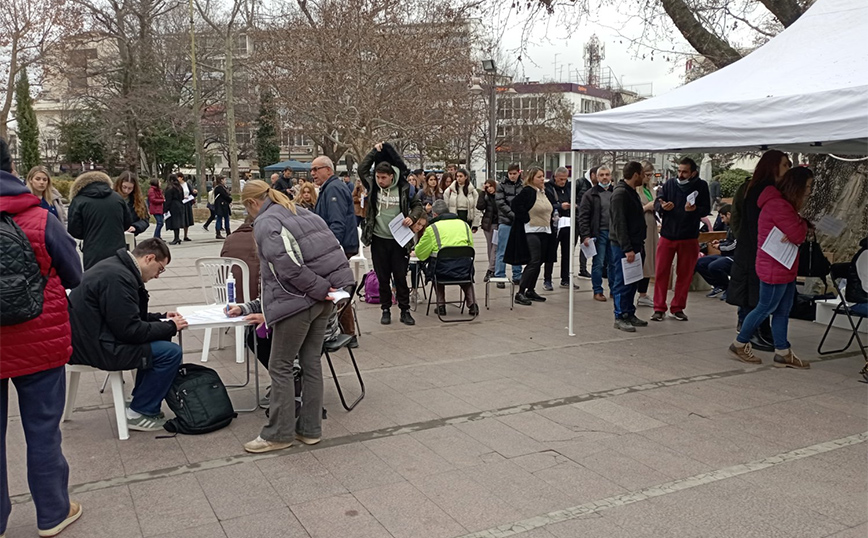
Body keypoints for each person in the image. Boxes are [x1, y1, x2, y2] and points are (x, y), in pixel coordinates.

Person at [229, 180, 354, 454]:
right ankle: (309, 430)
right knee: (310, 363)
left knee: (281, 366)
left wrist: (319, 289)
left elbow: (286, 268)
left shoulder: (265, 222)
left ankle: (278, 433)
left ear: (251, 203)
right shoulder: (300, 211)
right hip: (323, 299)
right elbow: (333, 249)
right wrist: (332, 289)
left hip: (298, 302)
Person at [0, 167, 83, 538]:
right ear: (13, 171)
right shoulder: (40, 218)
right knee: (43, 430)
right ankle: (52, 512)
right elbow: (74, 276)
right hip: (40, 342)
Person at [68, 238, 187, 430]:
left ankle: (141, 400)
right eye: (160, 269)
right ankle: (141, 411)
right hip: (96, 346)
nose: (158, 276)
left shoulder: (116, 267)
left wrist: (161, 318)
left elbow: (123, 316)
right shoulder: (119, 278)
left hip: (89, 338)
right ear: (149, 258)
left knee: (160, 338)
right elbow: (130, 331)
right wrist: (170, 326)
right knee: (170, 352)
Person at [729, 167, 812, 368]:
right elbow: (799, 235)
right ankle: (740, 343)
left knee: (783, 310)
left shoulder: (782, 205)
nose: (810, 191)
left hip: (784, 265)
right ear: (797, 186)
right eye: (808, 186)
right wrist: (803, 226)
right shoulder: (778, 205)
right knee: (764, 308)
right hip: (774, 266)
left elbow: (798, 230)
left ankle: (782, 351)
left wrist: (801, 224)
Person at [727, 150, 792, 351]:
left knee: (759, 295)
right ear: (772, 166)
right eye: (784, 165)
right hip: (755, 248)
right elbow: (742, 218)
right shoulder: (758, 189)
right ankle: (749, 334)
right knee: (753, 294)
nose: (788, 169)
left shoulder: (769, 188)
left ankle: (761, 332)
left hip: (760, 247)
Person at [358, 142, 423, 326]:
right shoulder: (373, 186)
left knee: (401, 276)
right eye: (378, 177)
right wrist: (374, 151)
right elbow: (363, 169)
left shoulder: (404, 187)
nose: (380, 181)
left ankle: (405, 310)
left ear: (392, 176)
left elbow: (417, 205)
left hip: (399, 240)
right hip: (379, 239)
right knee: (383, 277)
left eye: (384, 178)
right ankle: (385, 309)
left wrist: (412, 217)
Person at [650, 157, 711, 322]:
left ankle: (677, 307)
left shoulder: (701, 186)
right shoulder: (669, 184)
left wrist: (695, 209)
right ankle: (659, 308)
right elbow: (658, 201)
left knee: (684, 274)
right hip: (668, 235)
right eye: (679, 171)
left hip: (689, 237)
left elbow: (707, 209)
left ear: (693, 173)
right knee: (661, 272)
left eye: (685, 171)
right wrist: (662, 206)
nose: (681, 174)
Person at [311, 155, 360, 346]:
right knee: (335, 287)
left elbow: (337, 223)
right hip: (336, 247)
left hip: (338, 248)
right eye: (312, 170)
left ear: (328, 170)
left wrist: (330, 250)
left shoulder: (333, 189)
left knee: (337, 289)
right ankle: (345, 331)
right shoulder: (330, 188)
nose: (313, 173)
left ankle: (348, 332)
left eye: (317, 169)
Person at [415, 199, 479, 316]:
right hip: (464, 269)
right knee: (463, 271)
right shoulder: (464, 225)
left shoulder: (432, 228)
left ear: (434, 214)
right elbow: (470, 248)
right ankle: (472, 304)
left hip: (441, 271)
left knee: (436, 271)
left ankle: (441, 305)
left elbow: (420, 253)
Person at [505, 167, 555, 306]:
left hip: (545, 230)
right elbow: (515, 204)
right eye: (539, 176)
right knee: (534, 260)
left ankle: (530, 289)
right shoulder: (527, 191)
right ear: (532, 178)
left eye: (543, 176)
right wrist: (526, 218)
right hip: (531, 230)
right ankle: (520, 292)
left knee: (540, 261)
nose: (542, 179)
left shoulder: (544, 192)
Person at [609, 161, 649, 332]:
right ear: (635, 175)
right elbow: (619, 224)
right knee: (622, 281)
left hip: (636, 243)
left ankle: (629, 312)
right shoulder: (620, 194)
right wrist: (627, 248)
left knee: (633, 280)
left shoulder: (631, 192)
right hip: (623, 246)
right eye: (642, 174)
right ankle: (619, 315)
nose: (644, 177)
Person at [67, 171, 133, 270]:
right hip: (117, 252)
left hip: (92, 252)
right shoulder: (117, 198)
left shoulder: (79, 200)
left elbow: (74, 230)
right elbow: (127, 223)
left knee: (94, 281)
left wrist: (89, 232)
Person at [578, 165, 614, 302]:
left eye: (607, 174)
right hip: (598, 233)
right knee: (598, 263)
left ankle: (614, 289)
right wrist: (585, 235)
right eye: (602, 175)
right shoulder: (590, 194)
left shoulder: (616, 192)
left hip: (614, 233)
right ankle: (597, 290)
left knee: (613, 263)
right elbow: (583, 216)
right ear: (596, 177)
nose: (605, 177)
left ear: (611, 176)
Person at [544, 167, 580, 290]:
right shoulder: (548, 188)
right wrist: (559, 206)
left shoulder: (570, 187)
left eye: (565, 179)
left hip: (569, 222)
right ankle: (547, 280)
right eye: (561, 179)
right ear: (555, 177)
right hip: (554, 224)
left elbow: (576, 199)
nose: (563, 182)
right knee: (550, 253)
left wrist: (574, 205)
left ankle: (566, 278)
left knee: (568, 253)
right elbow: (546, 205)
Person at [695, 204, 737, 298]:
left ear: (729, 215)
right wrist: (720, 242)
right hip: (725, 254)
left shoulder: (738, 227)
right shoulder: (730, 227)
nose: (722, 221)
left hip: (735, 257)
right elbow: (729, 241)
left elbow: (735, 245)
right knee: (700, 263)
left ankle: (728, 286)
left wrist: (720, 247)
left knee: (714, 266)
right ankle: (719, 285)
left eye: (723, 218)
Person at [494, 162, 523, 288]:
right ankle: (500, 275)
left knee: (518, 249)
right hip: (505, 221)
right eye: (510, 174)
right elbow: (500, 202)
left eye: (514, 174)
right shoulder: (501, 186)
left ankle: (517, 275)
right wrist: (512, 214)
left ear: (519, 173)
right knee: (502, 249)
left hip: (518, 222)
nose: (512, 176)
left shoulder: (523, 186)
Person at [636, 161, 659, 307]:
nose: (649, 178)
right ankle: (641, 293)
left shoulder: (650, 189)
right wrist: (646, 207)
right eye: (647, 175)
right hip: (642, 226)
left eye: (651, 175)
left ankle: (644, 292)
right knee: (643, 261)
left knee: (650, 259)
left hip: (652, 226)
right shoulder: (635, 191)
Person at [575, 167, 597, 278]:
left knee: (586, 243)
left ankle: (582, 269)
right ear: (592, 174)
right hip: (576, 217)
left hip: (590, 219)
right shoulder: (580, 183)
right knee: (573, 245)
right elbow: (572, 196)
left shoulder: (597, 187)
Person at [476, 179, 499, 282]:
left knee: (495, 247)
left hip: (497, 224)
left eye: (491, 186)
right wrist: (482, 193)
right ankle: (492, 268)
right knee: (490, 247)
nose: (489, 188)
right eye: (487, 187)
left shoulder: (499, 195)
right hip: (488, 224)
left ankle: (491, 269)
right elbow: (479, 206)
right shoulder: (485, 196)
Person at [114, 172, 150, 236]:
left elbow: (145, 220)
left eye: (130, 188)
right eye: (124, 187)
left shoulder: (138, 201)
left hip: (129, 236)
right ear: (119, 184)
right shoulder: (110, 198)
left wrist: (135, 227)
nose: (126, 191)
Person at [163, 175, 185, 245]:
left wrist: (165, 209)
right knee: (177, 221)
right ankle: (177, 237)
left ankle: (176, 238)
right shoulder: (179, 187)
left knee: (174, 222)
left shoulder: (170, 188)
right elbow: (182, 197)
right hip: (179, 204)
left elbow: (168, 200)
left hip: (173, 205)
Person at [176, 173, 197, 241]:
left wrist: (195, 192)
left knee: (187, 219)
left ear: (181, 178)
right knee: (179, 219)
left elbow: (192, 193)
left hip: (187, 203)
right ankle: (177, 236)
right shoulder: (176, 185)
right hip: (180, 203)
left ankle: (185, 235)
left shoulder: (187, 184)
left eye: (178, 177)